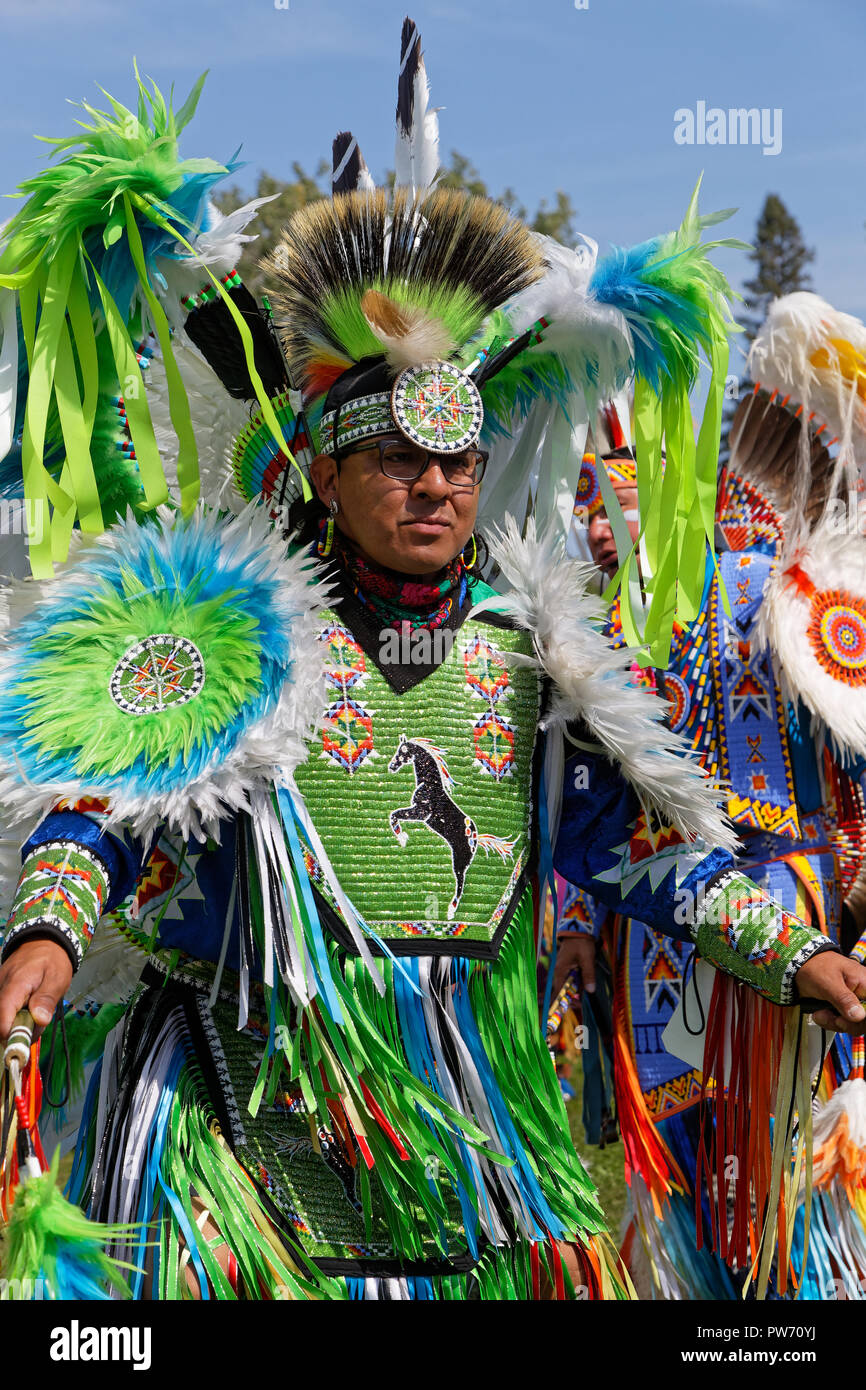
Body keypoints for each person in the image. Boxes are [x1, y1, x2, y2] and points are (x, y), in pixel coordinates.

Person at [1, 48, 865, 1302]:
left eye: (455, 467)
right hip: (252, 1108)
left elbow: (634, 850)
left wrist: (793, 958)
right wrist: (49, 924)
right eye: (397, 462)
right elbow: (113, 804)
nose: (435, 486)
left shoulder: (531, 656)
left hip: (469, 1131)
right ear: (328, 476)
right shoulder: (240, 630)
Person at [560, 310, 866, 1297]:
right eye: (584, 498)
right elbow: (579, 799)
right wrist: (574, 926)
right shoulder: (587, 618)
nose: (600, 518)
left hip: (798, 929)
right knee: (698, 1201)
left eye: (611, 488)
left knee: (801, 1202)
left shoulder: (798, 583)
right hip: (672, 935)